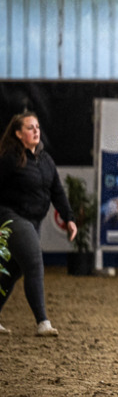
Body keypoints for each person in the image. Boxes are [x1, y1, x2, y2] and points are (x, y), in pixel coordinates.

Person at [0, 112, 76, 336]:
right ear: (18, 133)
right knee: (34, 262)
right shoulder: (8, 158)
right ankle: (43, 322)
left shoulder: (46, 160)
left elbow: (57, 192)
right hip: (10, 216)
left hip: (34, 221)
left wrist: (69, 218)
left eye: (37, 127)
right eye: (30, 127)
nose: (36, 131)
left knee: (13, 270)